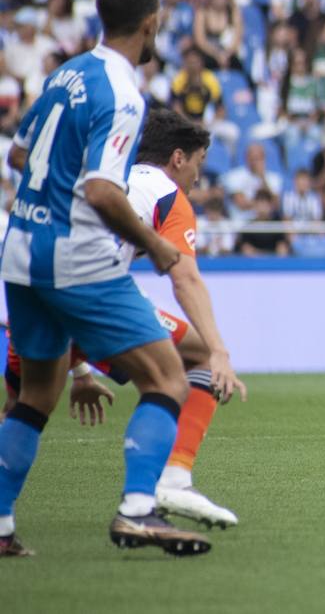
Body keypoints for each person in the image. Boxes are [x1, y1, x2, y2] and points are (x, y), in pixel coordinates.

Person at [0, 0, 213, 557]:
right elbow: (100, 190)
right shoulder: (122, 93)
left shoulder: (65, 73)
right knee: (169, 376)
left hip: (20, 253)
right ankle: (138, 512)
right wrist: (157, 244)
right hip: (78, 258)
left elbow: (20, 152)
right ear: (151, 22)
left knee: (35, 396)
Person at [4, 107, 248, 528]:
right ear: (177, 158)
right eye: (198, 164)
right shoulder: (168, 195)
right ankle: (167, 482)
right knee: (197, 359)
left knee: (23, 408)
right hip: (94, 296)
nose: (197, 176)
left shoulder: (109, 179)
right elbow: (185, 278)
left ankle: (3, 526)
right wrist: (220, 349)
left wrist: (79, 370)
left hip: (35, 289)